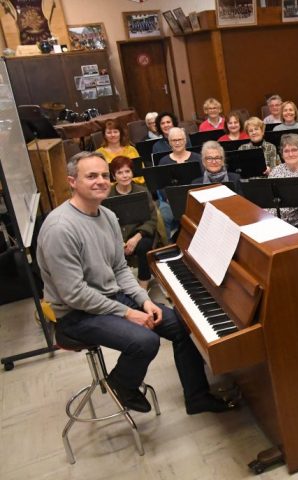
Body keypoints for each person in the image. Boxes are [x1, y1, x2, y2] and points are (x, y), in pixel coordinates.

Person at [38, 151, 237, 417]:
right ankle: (121, 383)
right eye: (91, 176)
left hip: (111, 297)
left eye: (103, 175)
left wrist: (143, 300)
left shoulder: (107, 215)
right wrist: (129, 313)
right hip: (75, 314)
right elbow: (74, 294)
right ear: (72, 181)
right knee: (145, 340)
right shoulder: (60, 229)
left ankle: (197, 397)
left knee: (182, 323)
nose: (100, 181)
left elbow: (120, 269)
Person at [107, 155, 158, 290]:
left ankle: (143, 285)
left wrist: (136, 238)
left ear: (132, 173)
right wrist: (120, 242)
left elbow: (152, 218)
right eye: (120, 172)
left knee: (143, 247)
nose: (124, 176)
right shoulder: (107, 196)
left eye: (127, 171)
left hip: (140, 233)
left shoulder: (142, 191)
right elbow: (103, 223)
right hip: (116, 236)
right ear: (113, 175)